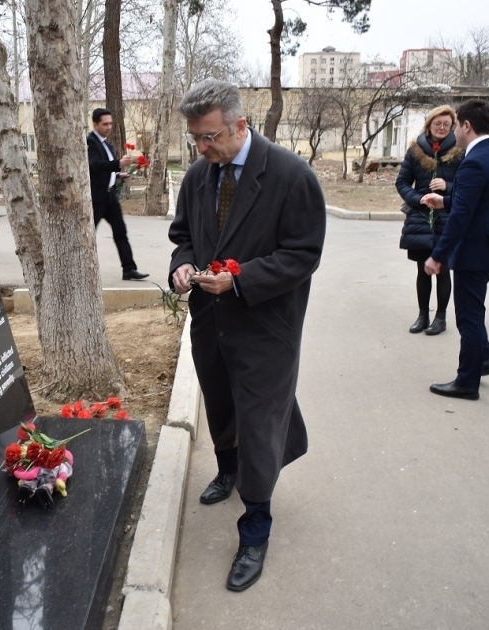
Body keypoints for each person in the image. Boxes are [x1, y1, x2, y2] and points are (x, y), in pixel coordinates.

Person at [168, 80, 325, 591]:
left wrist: (242, 280)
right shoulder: (198, 174)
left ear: (240, 125)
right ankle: (227, 468)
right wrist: (183, 264)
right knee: (221, 405)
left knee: (259, 419)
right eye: (195, 138)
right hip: (210, 321)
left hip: (265, 326)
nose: (201, 148)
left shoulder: (291, 176)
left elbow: (303, 254)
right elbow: (184, 237)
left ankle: (256, 527)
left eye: (209, 136)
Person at [422, 99, 489, 401]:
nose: (454, 132)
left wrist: (438, 255)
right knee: (474, 307)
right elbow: (483, 203)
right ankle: (483, 360)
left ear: (466, 126)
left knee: (468, 316)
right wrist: (445, 201)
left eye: (457, 126)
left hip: (476, 250)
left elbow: (463, 217)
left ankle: (467, 382)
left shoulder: (474, 161)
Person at [395, 105, 463, 336]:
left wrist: (448, 187)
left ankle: (440, 317)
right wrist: (418, 198)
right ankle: (422, 315)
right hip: (420, 218)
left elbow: (469, 185)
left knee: (442, 269)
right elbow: (402, 182)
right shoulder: (415, 150)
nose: (442, 128)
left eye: (446, 124)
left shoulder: (460, 150)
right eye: (438, 123)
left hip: (448, 217)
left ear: (452, 126)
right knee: (423, 269)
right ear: (429, 125)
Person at [87, 108, 148, 281]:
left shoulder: (107, 145)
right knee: (87, 236)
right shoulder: (90, 142)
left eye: (110, 123)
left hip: (110, 197)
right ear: (95, 124)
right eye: (105, 124)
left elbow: (105, 169)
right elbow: (94, 165)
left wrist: (118, 174)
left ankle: (129, 269)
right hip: (96, 198)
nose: (109, 127)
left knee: (120, 232)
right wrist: (118, 164)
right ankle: (79, 269)